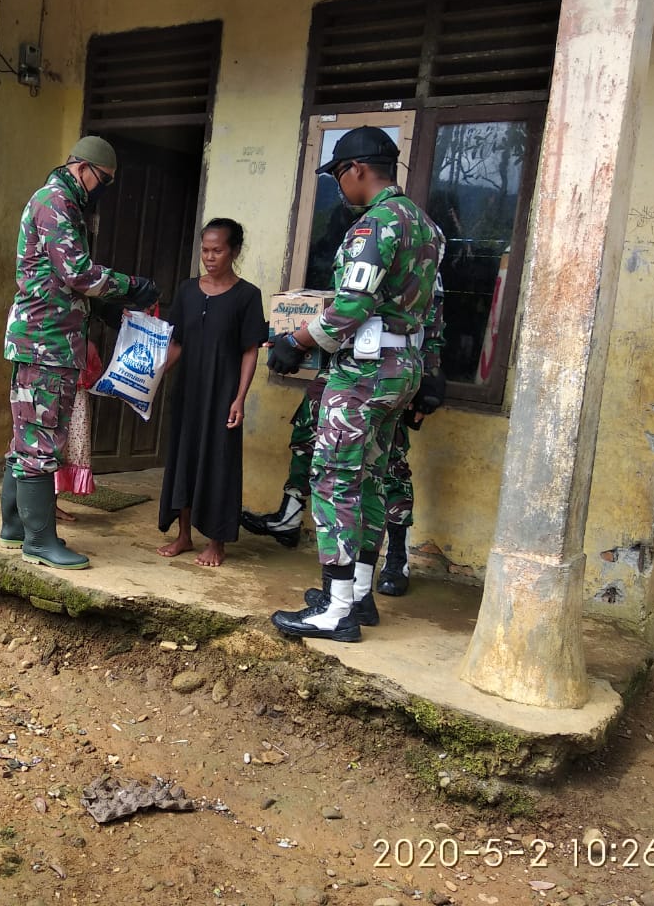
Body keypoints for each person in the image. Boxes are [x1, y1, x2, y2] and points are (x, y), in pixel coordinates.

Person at [267, 127, 444, 642]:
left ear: (357, 170)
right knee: (371, 479)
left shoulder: (376, 225)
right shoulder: (426, 226)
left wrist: (296, 341)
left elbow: (350, 307)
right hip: (402, 368)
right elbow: (433, 308)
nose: (340, 187)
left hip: (363, 373)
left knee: (333, 479)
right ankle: (360, 594)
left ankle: (337, 609)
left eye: (339, 176)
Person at [0, 135, 159, 570]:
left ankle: (15, 527)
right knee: (40, 440)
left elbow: (61, 279)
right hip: (47, 343)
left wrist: (103, 309)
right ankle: (39, 541)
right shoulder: (57, 202)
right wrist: (131, 286)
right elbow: (77, 272)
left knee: (27, 436)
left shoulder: (59, 201)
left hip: (44, 338)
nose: (103, 189)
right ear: (83, 168)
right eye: (103, 180)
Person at [241, 274, 446, 598]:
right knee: (308, 426)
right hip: (345, 361)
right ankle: (290, 517)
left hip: (387, 368)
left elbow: (431, 324)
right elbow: (334, 306)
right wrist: (284, 334)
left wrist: (431, 376)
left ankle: (396, 556)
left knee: (387, 464)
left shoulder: (411, 254)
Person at [157, 218, 266, 567]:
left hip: (222, 394)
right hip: (188, 391)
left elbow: (250, 349)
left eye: (217, 250)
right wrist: (149, 379)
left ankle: (216, 542)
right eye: (205, 250)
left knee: (219, 462)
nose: (209, 257)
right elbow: (176, 343)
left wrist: (239, 398)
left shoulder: (247, 296)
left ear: (234, 251)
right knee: (184, 458)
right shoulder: (187, 291)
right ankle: (184, 535)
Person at [55, 339, 104, 522]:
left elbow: (94, 370)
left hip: (69, 398)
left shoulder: (85, 344)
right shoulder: (82, 344)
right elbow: (95, 372)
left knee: (66, 449)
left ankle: (51, 505)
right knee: (55, 449)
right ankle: (48, 505)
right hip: (61, 397)